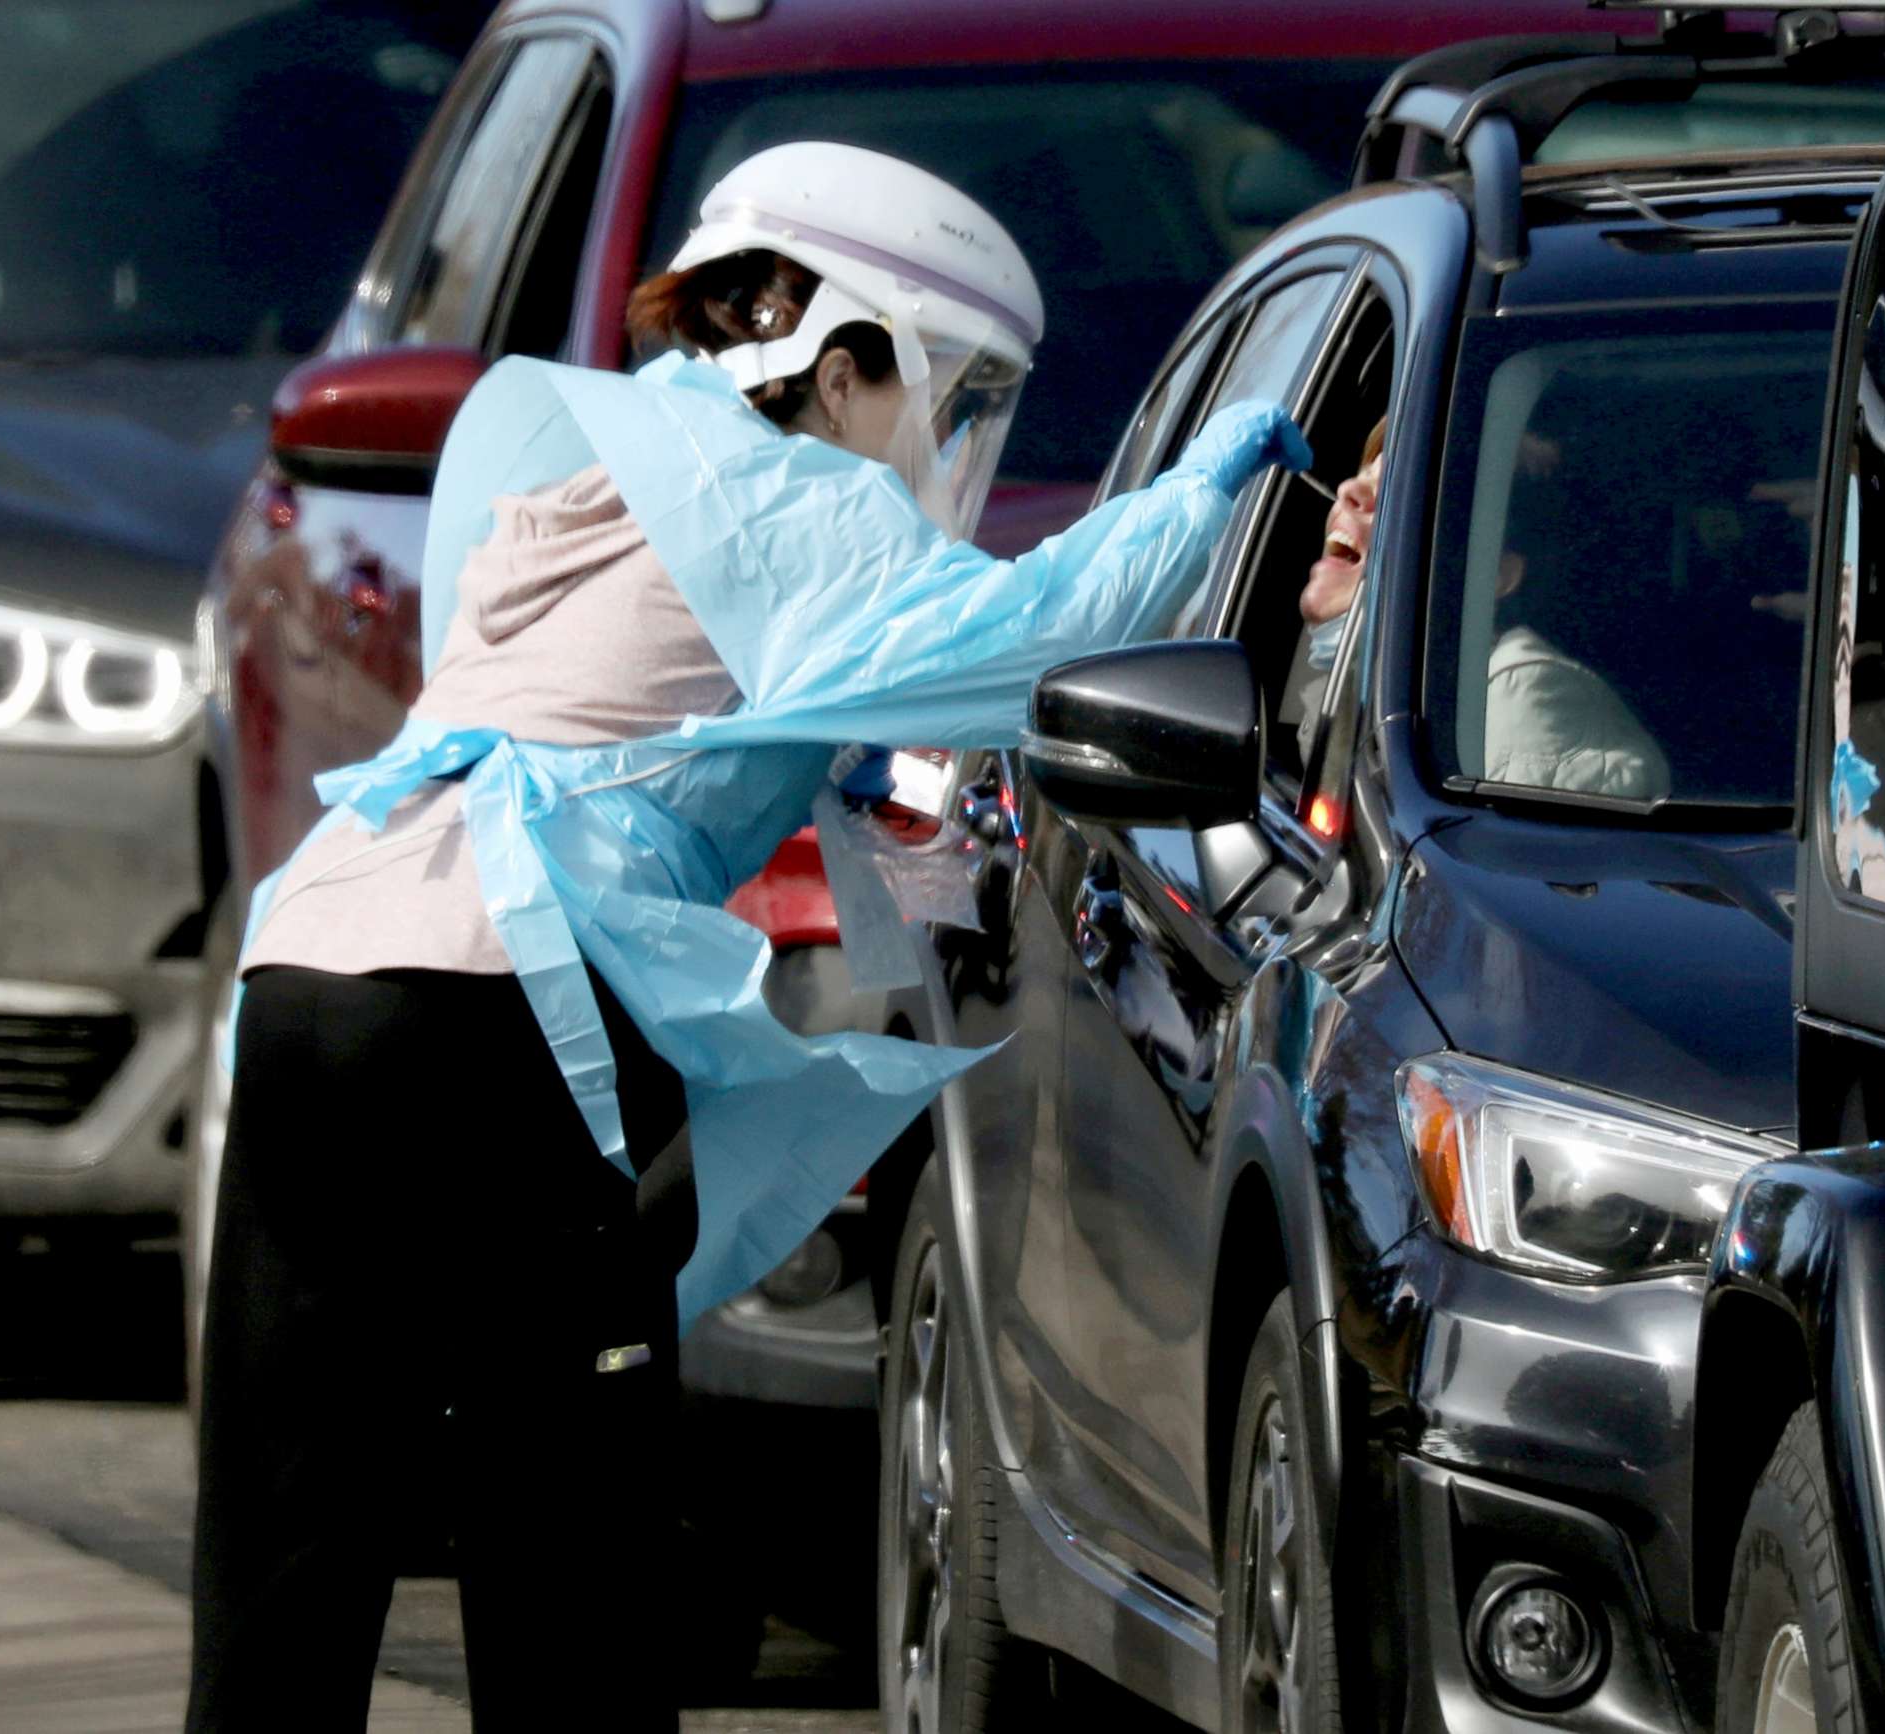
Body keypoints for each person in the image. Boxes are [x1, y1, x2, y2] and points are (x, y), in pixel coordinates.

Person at [185, 141, 1307, 1733]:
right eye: (945, 385)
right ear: (844, 352)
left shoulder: (607, 465)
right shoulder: (806, 497)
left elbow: (609, 701)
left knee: (285, 1564)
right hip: (502, 1006)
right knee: (567, 1565)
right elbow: (1039, 638)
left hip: (313, 972)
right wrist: (1211, 494)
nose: (936, 436)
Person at [1297, 420, 1668, 799]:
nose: (1348, 489)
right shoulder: (1391, 690)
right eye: (1365, 474)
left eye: (1398, 492)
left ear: (1493, 574)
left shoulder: (1518, 695)